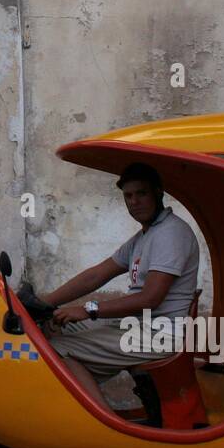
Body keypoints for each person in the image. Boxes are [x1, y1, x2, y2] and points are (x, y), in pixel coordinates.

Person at [40, 162, 200, 409]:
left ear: (159, 192)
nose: (134, 201)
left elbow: (150, 299)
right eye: (128, 196)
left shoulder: (171, 234)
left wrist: (88, 308)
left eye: (142, 193)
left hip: (160, 334)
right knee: (51, 327)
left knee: (54, 350)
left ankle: (104, 426)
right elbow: (96, 276)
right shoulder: (145, 236)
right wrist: (45, 303)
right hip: (135, 324)